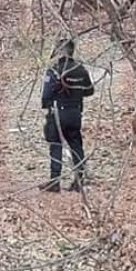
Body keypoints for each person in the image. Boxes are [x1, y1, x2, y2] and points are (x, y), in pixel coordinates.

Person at [40, 38, 94, 193]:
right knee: (76, 145)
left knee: (56, 145)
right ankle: (79, 180)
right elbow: (89, 91)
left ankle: (54, 182)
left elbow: (46, 95)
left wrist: (48, 105)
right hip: (75, 112)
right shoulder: (81, 69)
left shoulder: (55, 69)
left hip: (57, 112)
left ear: (59, 51)